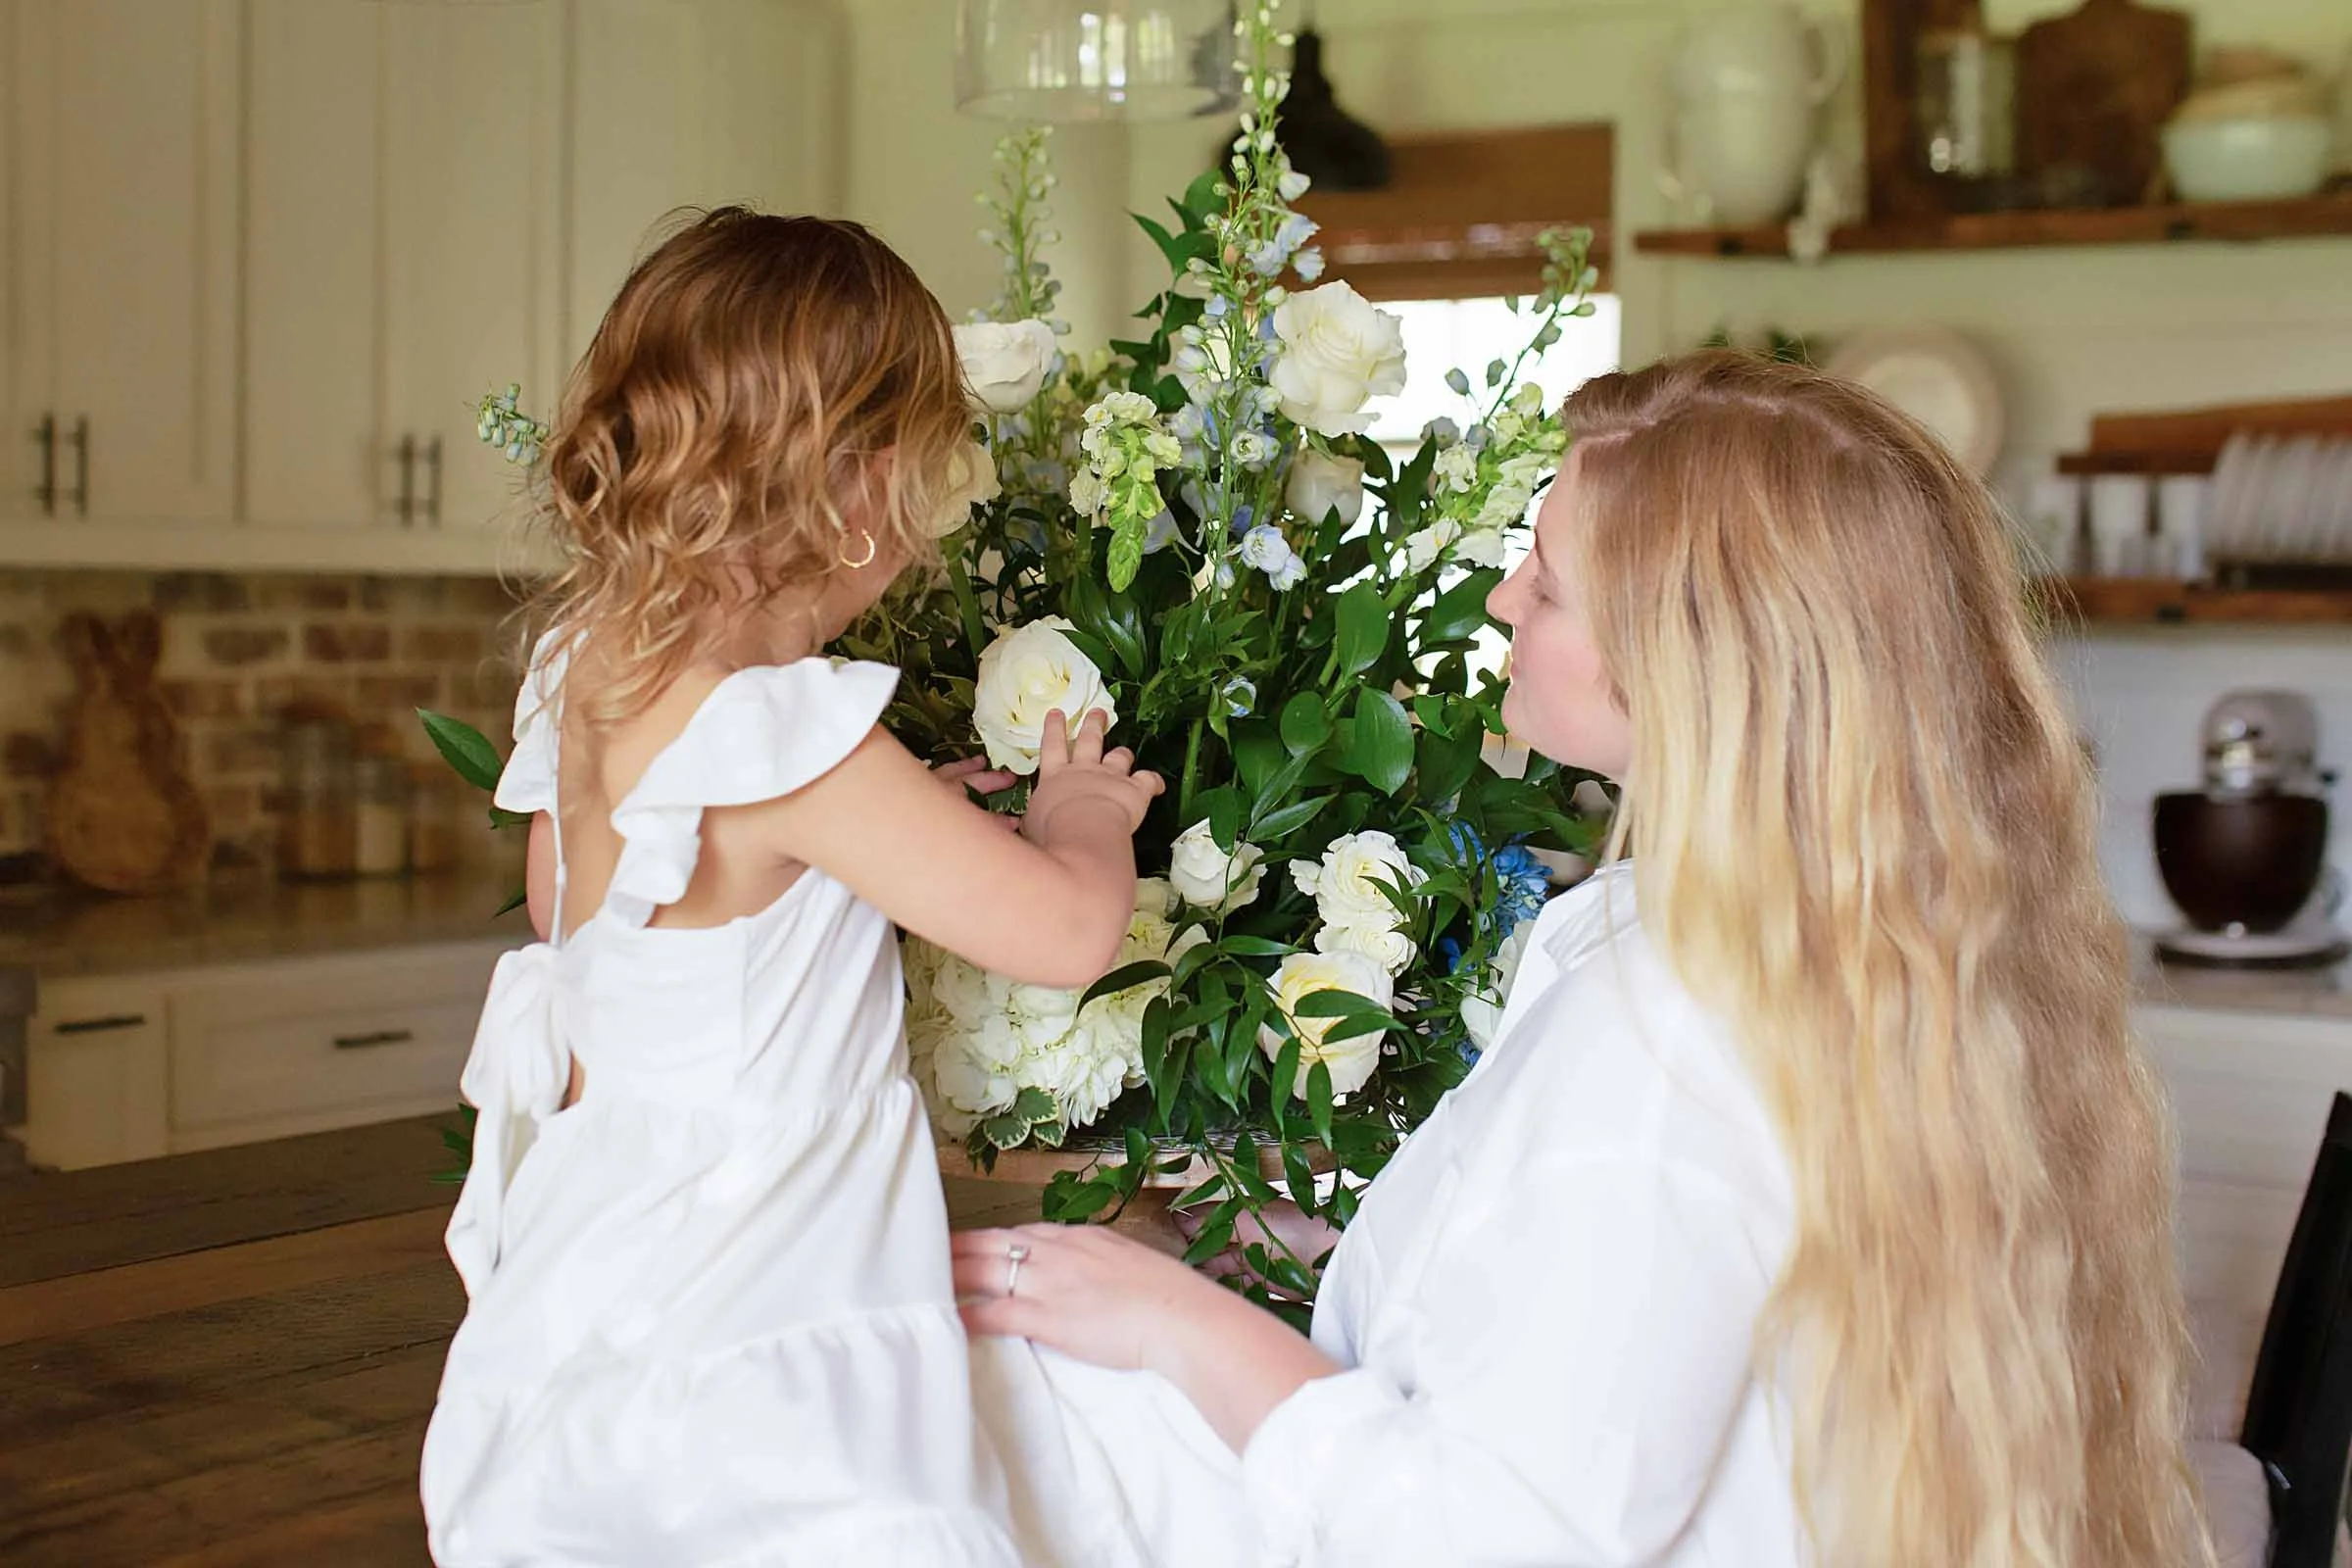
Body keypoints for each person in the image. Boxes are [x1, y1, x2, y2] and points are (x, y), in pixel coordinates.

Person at [958, 350, 2213, 1568]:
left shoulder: (1661, 1034)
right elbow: (1645, 1319)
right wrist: (1344, 1254)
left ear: (1691, 655)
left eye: (1548, 585)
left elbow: (1506, 1535)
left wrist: (1167, 1321)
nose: (1503, 601)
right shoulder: (1834, 948)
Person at [418, 209, 1162, 1566]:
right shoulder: (792, 730)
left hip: (603, 1254)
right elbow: (1067, 933)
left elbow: (580, 906)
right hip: (766, 1279)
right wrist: (1080, 815)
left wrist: (846, 851)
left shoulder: (588, 673)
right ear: (854, 484)